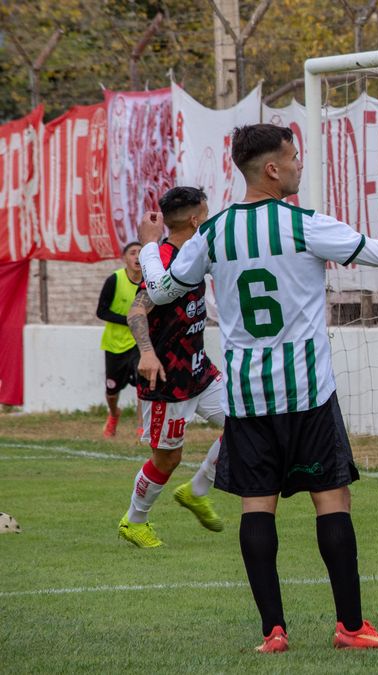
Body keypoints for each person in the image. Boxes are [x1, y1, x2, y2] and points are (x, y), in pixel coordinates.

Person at [137, 123, 378, 653]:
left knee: (256, 507)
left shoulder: (215, 232)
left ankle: (273, 632)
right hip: (309, 391)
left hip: (247, 397)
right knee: (332, 500)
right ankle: (351, 627)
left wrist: (154, 246)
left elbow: (158, 289)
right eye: (293, 158)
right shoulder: (303, 224)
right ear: (272, 169)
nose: (297, 165)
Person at [117, 186, 226, 549]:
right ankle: (134, 521)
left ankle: (197, 490)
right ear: (195, 219)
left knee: (247, 422)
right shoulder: (162, 258)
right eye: (206, 212)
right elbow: (137, 310)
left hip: (200, 371)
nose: (209, 217)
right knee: (168, 458)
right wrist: (146, 353)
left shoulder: (194, 253)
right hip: (167, 380)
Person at [97, 242, 144, 438]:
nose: (137, 257)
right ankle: (114, 414)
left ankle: (142, 427)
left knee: (144, 384)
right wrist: (128, 320)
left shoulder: (150, 282)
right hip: (115, 344)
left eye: (141, 253)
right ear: (124, 258)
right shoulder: (114, 280)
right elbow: (101, 311)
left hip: (140, 343)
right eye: (133, 253)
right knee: (112, 390)